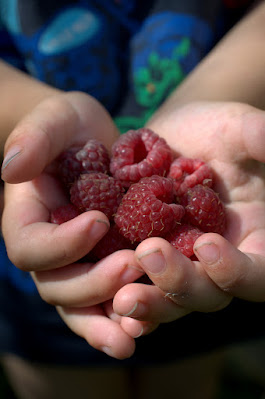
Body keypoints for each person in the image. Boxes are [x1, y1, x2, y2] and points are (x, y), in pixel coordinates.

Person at [0, 0, 265, 398]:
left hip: (193, 287)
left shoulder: (167, 194)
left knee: (187, 379)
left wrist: (216, 91)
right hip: (51, 271)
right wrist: (29, 112)